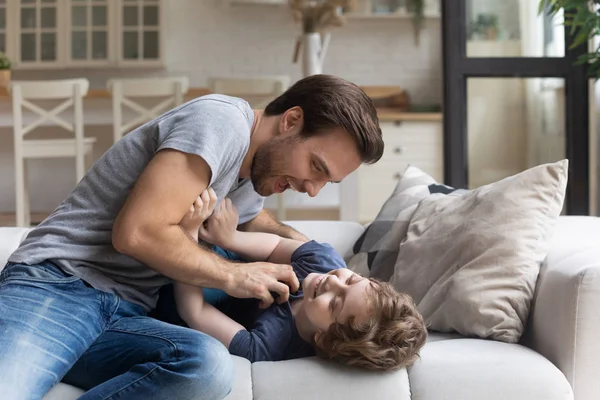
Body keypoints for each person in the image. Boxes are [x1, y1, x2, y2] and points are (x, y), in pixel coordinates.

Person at [0, 74, 384, 400]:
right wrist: (235, 275)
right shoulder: (220, 123)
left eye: (326, 181)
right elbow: (137, 233)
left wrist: (327, 261)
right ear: (291, 120)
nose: (312, 189)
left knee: (206, 365)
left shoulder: (258, 176)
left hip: (128, 312)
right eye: (315, 167)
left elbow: (256, 223)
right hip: (61, 285)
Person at [164, 193, 427, 370]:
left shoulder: (270, 346)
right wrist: (229, 238)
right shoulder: (325, 261)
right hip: (227, 262)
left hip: (184, 293)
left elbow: (195, 311)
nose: (333, 282)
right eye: (352, 279)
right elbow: (275, 245)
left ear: (324, 339)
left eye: (336, 302)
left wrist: (186, 240)